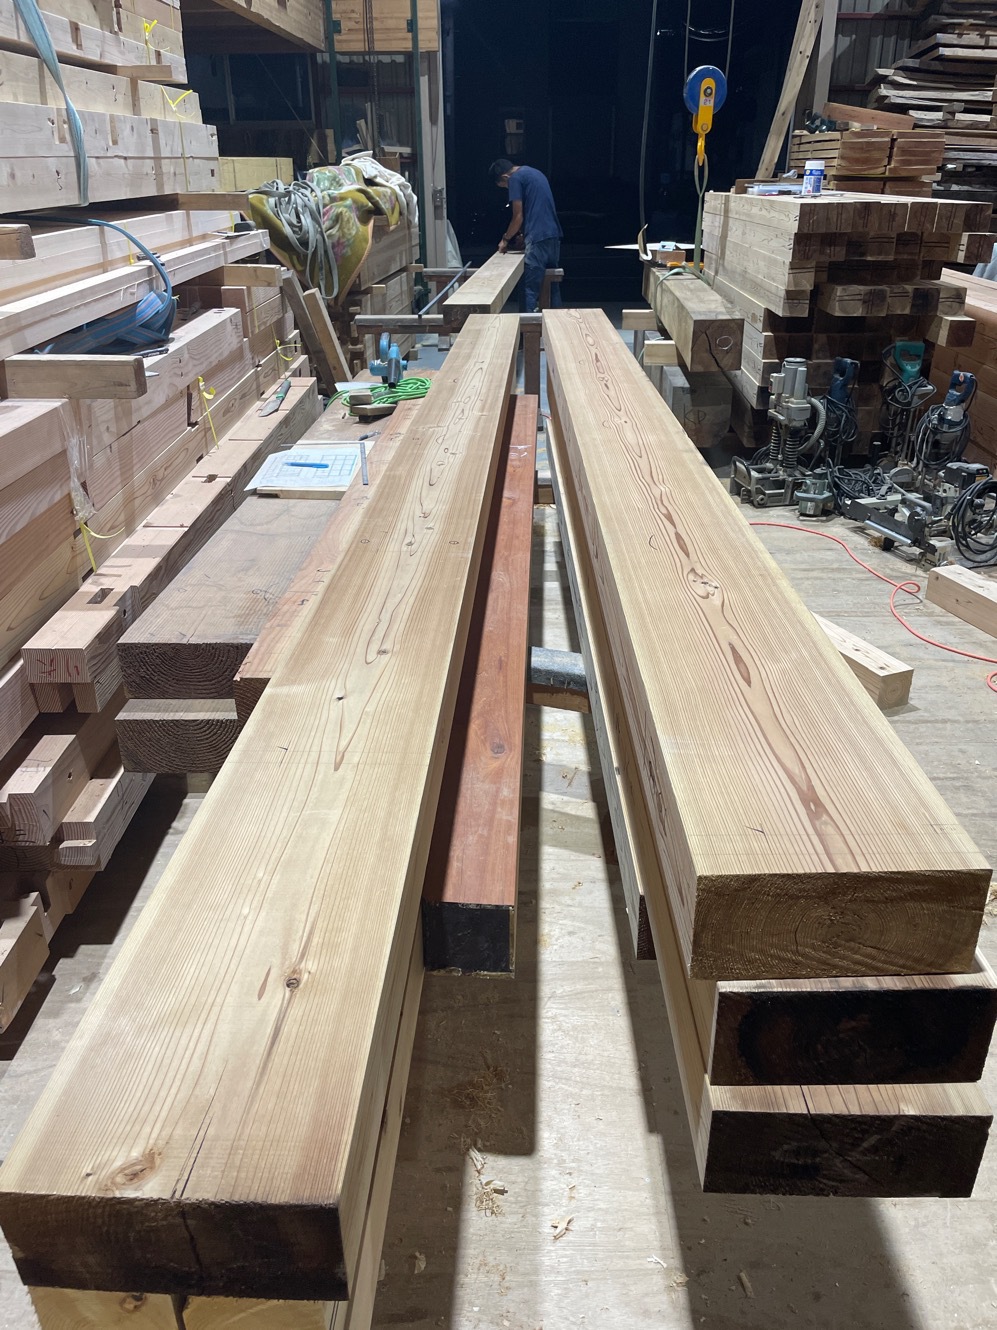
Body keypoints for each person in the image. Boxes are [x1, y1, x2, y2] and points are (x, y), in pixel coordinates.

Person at [490, 159, 562, 313]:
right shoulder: (534, 172)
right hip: (553, 235)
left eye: (505, 187)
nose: (508, 189)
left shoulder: (515, 178)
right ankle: (557, 322)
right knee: (551, 286)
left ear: (505, 177)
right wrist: (524, 235)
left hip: (537, 238)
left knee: (528, 289)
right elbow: (537, 207)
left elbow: (518, 216)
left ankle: (527, 327)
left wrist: (505, 240)